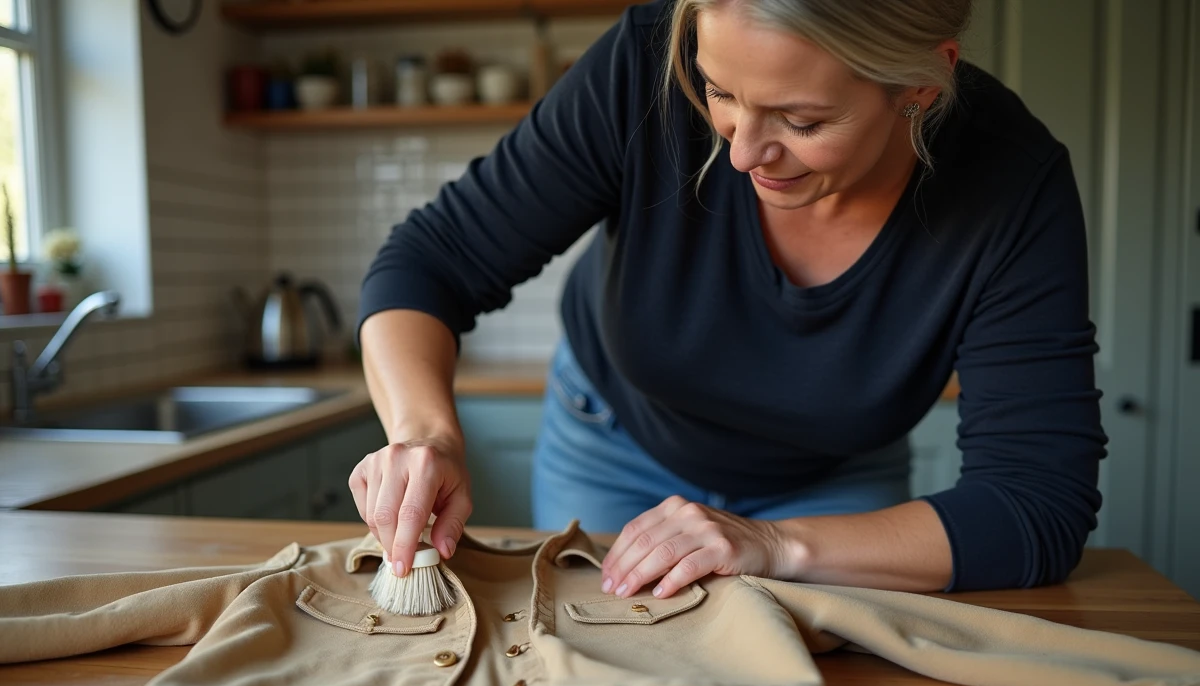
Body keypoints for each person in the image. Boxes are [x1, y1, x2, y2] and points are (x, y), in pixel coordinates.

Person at [350, 0, 1107, 600]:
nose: (741, 152)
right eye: (718, 92)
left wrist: (776, 544)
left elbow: (1034, 504)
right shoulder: (645, 63)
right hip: (614, 443)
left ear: (922, 84)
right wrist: (427, 433)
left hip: (833, 485)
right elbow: (431, 262)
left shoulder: (1012, 184)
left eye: (802, 121)